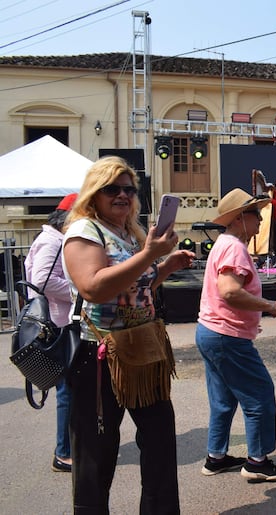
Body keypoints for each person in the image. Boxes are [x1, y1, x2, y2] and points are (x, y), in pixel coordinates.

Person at [63, 156, 194, 513]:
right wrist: (150, 252)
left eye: (128, 189)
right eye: (112, 189)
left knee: (160, 445)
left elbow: (138, 286)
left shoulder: (130, 232)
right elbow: (93, 288)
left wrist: (165, 265)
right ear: (94, 193)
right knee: (96, 455)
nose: (122, 195)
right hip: (102, 356)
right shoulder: (84, 231)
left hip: (144, 351)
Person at [196, 188, 276, 482]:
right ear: (239, 218)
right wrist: (268, 306)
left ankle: (216, 457)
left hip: (213, 332)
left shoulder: (226, 244)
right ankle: (257, 462)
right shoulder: (234, 247)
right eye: (256, 215)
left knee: (223, 400)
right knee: (259, 395)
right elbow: (230, 291)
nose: (261, 221)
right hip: (226, 336)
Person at [24, 192, 77, 473]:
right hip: (57, 323)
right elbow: (41, 282)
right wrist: (80, 290)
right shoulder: (52, 241)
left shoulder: (53, 240)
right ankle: (63, 452)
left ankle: (68, 448)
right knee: (66, 390)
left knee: (68, 389)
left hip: (58, 320)